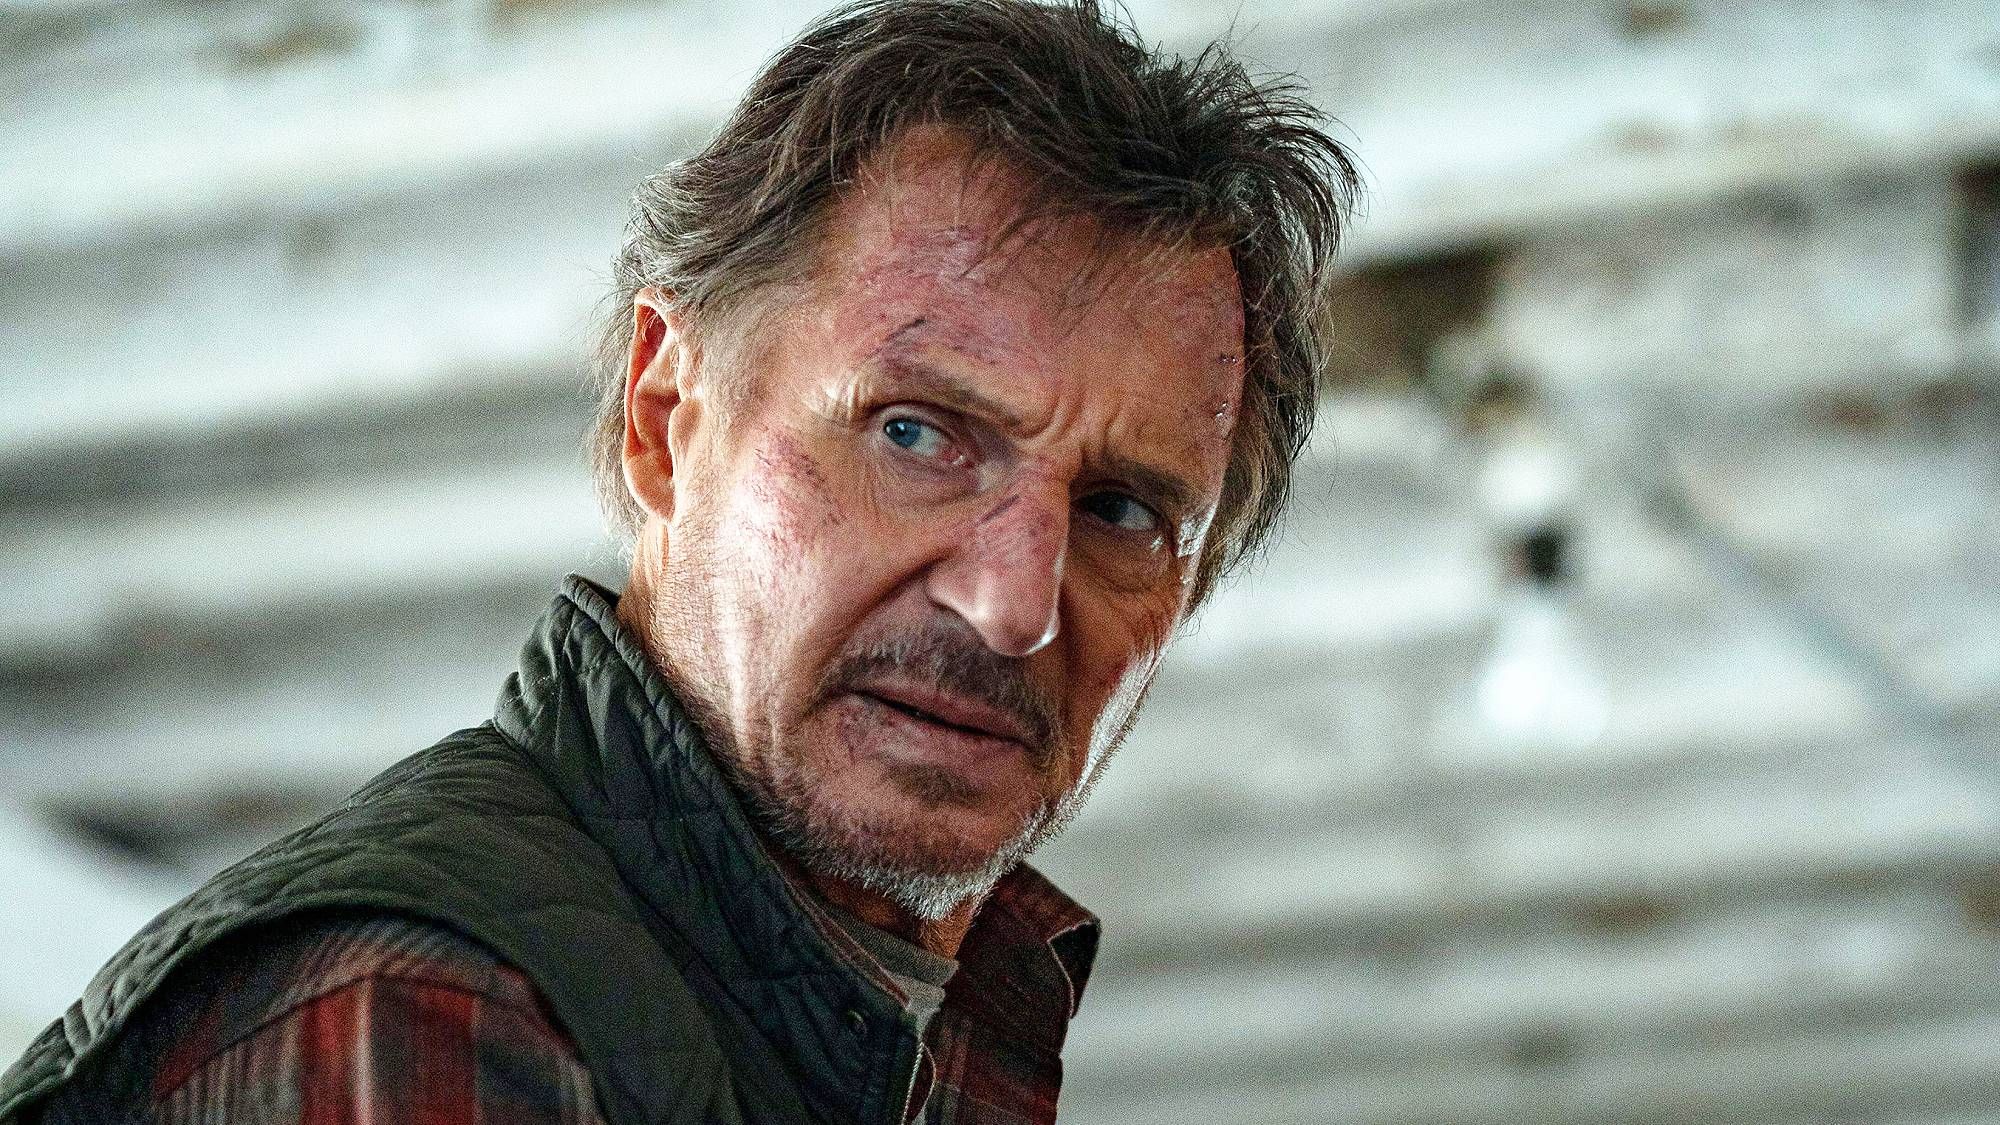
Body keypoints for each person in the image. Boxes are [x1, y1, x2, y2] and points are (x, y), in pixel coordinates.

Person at [0, 1, 1357, 1121]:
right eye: (915, 433)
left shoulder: (905, 1034)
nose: (1009, 604)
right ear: (665, 417)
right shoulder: (423, 1013)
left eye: (1119, 511)